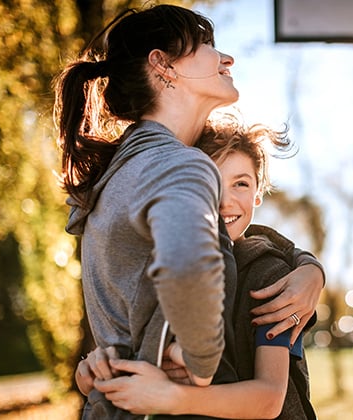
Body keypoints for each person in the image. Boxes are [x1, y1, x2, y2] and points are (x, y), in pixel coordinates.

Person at [53, 5, 323, 418]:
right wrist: (200, 365)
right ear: (163, 66)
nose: (226, 58)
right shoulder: (179, 164)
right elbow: (187, 268)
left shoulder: (116, 175)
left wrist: (306, 266)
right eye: (207, 46)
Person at [77, 113, 317, 419]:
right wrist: (94, 372)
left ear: (258, 195)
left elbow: (270, 398)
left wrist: (170, 398)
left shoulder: (268, 273)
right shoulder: (170, 264)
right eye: (211, 183)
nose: (224, 201)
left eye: (240, 184)